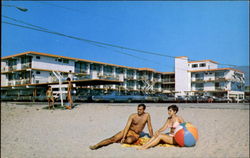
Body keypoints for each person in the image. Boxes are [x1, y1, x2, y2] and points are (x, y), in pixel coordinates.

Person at [89, 104, 153, 150]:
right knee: (112, 138)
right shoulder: (133, 116)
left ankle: (119, 141)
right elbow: (127, 127)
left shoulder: (147, 116)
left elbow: (150, 127)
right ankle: (96, 145)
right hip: (128, 131)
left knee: (129, 141)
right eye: (138, 109)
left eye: (140, 110)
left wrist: (152, 137)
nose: (139, 111)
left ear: (144, 110)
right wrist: (124, 136)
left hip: (136, 135)